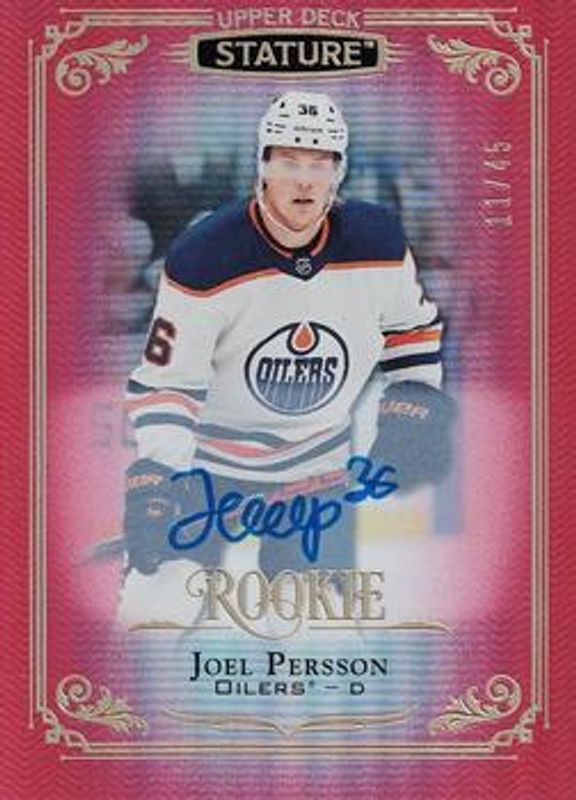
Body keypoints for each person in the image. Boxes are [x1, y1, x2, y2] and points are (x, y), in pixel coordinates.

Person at [117, 91, 453, 626]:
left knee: (324, 635)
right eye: (290, 161)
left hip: (315, 473)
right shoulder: (203, 255)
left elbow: (411, 329)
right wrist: (160, 474)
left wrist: (414, 400)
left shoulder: (378, 240)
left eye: (319, 164)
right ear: (263, 165)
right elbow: (167, 383)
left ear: (338, 172)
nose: (304, 181)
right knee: (152, 617)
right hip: (206, 470)